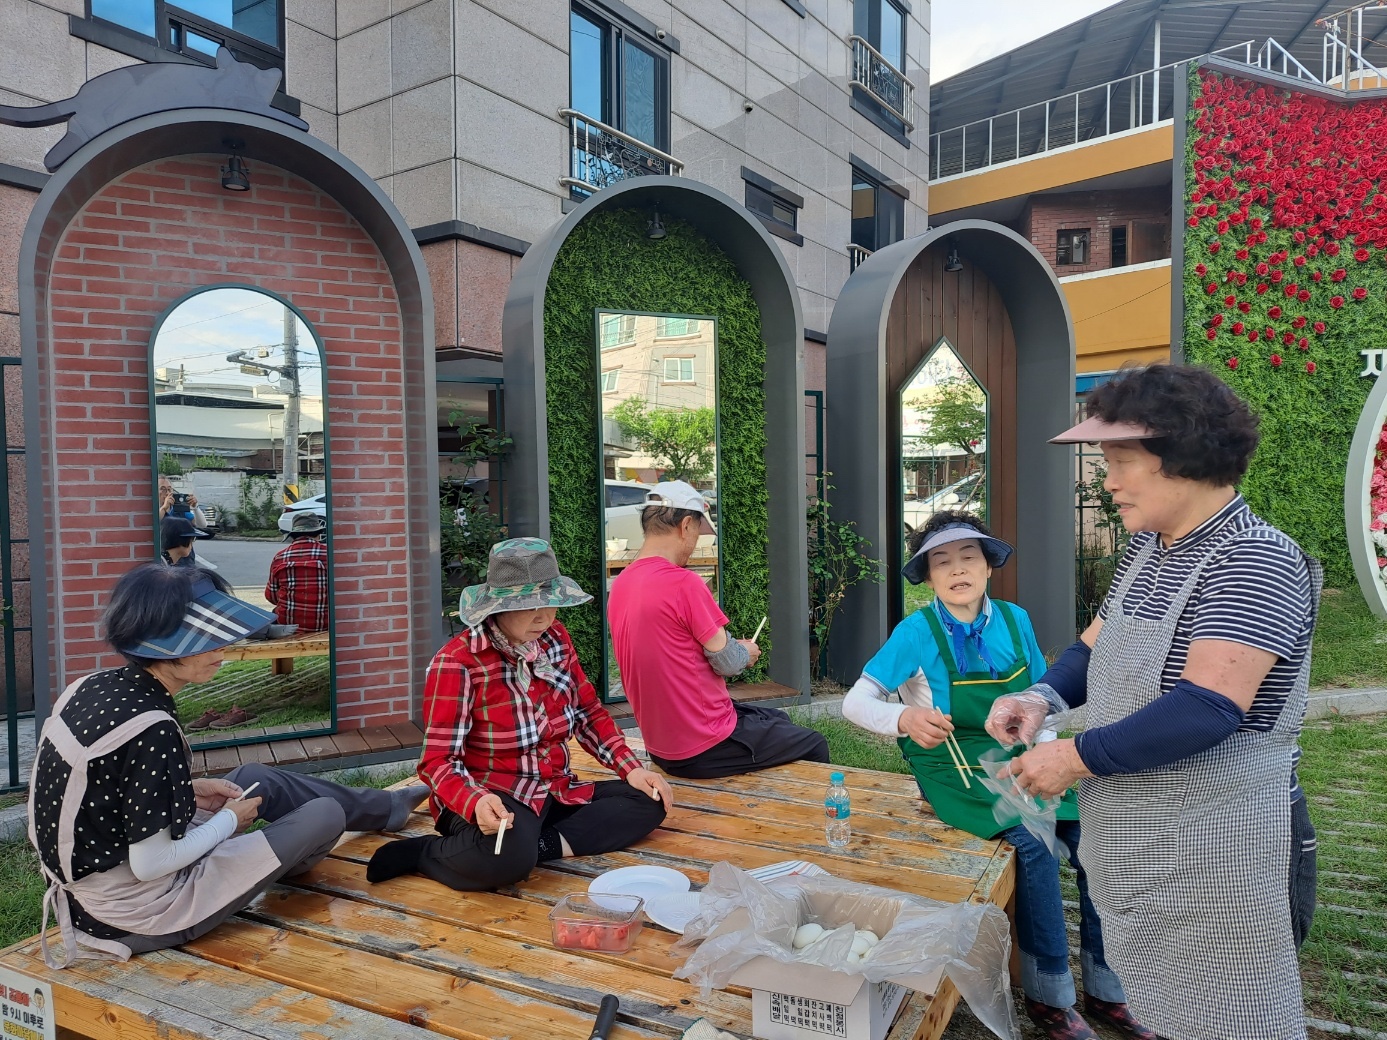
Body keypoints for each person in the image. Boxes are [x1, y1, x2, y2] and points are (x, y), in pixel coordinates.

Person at [988, 364, 1319, 1040]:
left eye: (1118, 461)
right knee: (1169, 1013)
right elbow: (1092, 648)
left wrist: (1073, 756)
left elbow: (1207, 706)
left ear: (1181, 455)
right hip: (1156, 843)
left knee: (1232, 1020)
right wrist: (1042, 696)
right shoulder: (1147, 548)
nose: (1105, 481)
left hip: (1227, 848)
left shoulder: (1252, 560)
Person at [842, 511, 1152, 1040]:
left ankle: (1108, 988)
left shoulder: (1015, 620)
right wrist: (903, 717)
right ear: (929, 577)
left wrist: (1049, 757)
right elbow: (855, 701)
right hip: (951, 761)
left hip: (1020, 750)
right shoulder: (915, 632)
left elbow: (1043, 701)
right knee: (1032, 845)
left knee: (1094, 838)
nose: (957, 569)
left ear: (988, 567)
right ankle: (1050, 998)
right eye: (942, 562)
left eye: (968, 557)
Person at [26, 563, 429, 969]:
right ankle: (286, 860)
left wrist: (188, 787)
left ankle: (387, 808)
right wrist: (228, 823)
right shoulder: (151, 729)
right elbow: (152, 865)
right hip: (136, 912)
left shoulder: (91, 686)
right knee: (325, 814)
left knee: (253, 779)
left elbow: (107, 790)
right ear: (166, 647)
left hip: (105, 874)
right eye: (208, 640)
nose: (223, 649)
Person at [365, 538, 671, 889]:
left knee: (651, 799)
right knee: (505, 857)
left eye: (551, 603)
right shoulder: (457, 663)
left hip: (554, 788)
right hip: (492, 796)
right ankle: (424, 853)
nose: (544, 616)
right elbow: (437, 762)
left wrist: (631, 769)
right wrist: (475, 801)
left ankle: (535, 847)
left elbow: (587, 712)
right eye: (528, 606)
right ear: (497, 606)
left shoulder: (554, 638)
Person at [607, 481, 829, 779]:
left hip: (660, 745)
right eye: (697, 532)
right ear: (686, 525)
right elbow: (730, 662)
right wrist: (746, 651)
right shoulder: (683, 583)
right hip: (703, 744)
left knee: (775, 718)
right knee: (814, 743)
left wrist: (727, 647)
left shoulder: (622, 584)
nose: (695, 541)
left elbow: (672, 648)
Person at [264, 511, 329, 632]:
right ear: (319, 534)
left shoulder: (280, 557)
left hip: (288, 626)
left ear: (293, 535)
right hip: (324, 625)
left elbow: (271, 597)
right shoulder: (329, 554)